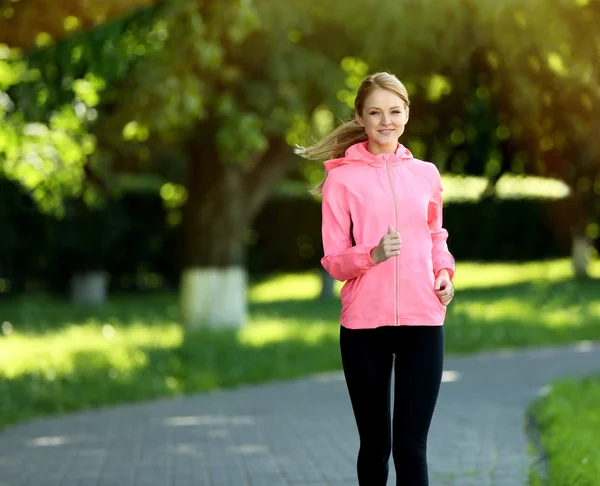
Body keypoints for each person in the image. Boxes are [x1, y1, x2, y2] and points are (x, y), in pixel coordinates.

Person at [295, 72, 455, 486]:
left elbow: (436, 234)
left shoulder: (426, 174)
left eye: (395, 111)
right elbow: (332, 260)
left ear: (407, 113)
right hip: (365, 326)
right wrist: (372, 255)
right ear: (361, 118)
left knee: (411, 448)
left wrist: (444, 273)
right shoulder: (341, 180)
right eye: (376, 112)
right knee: (376, 448)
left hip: (423, 321)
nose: (387, 121)